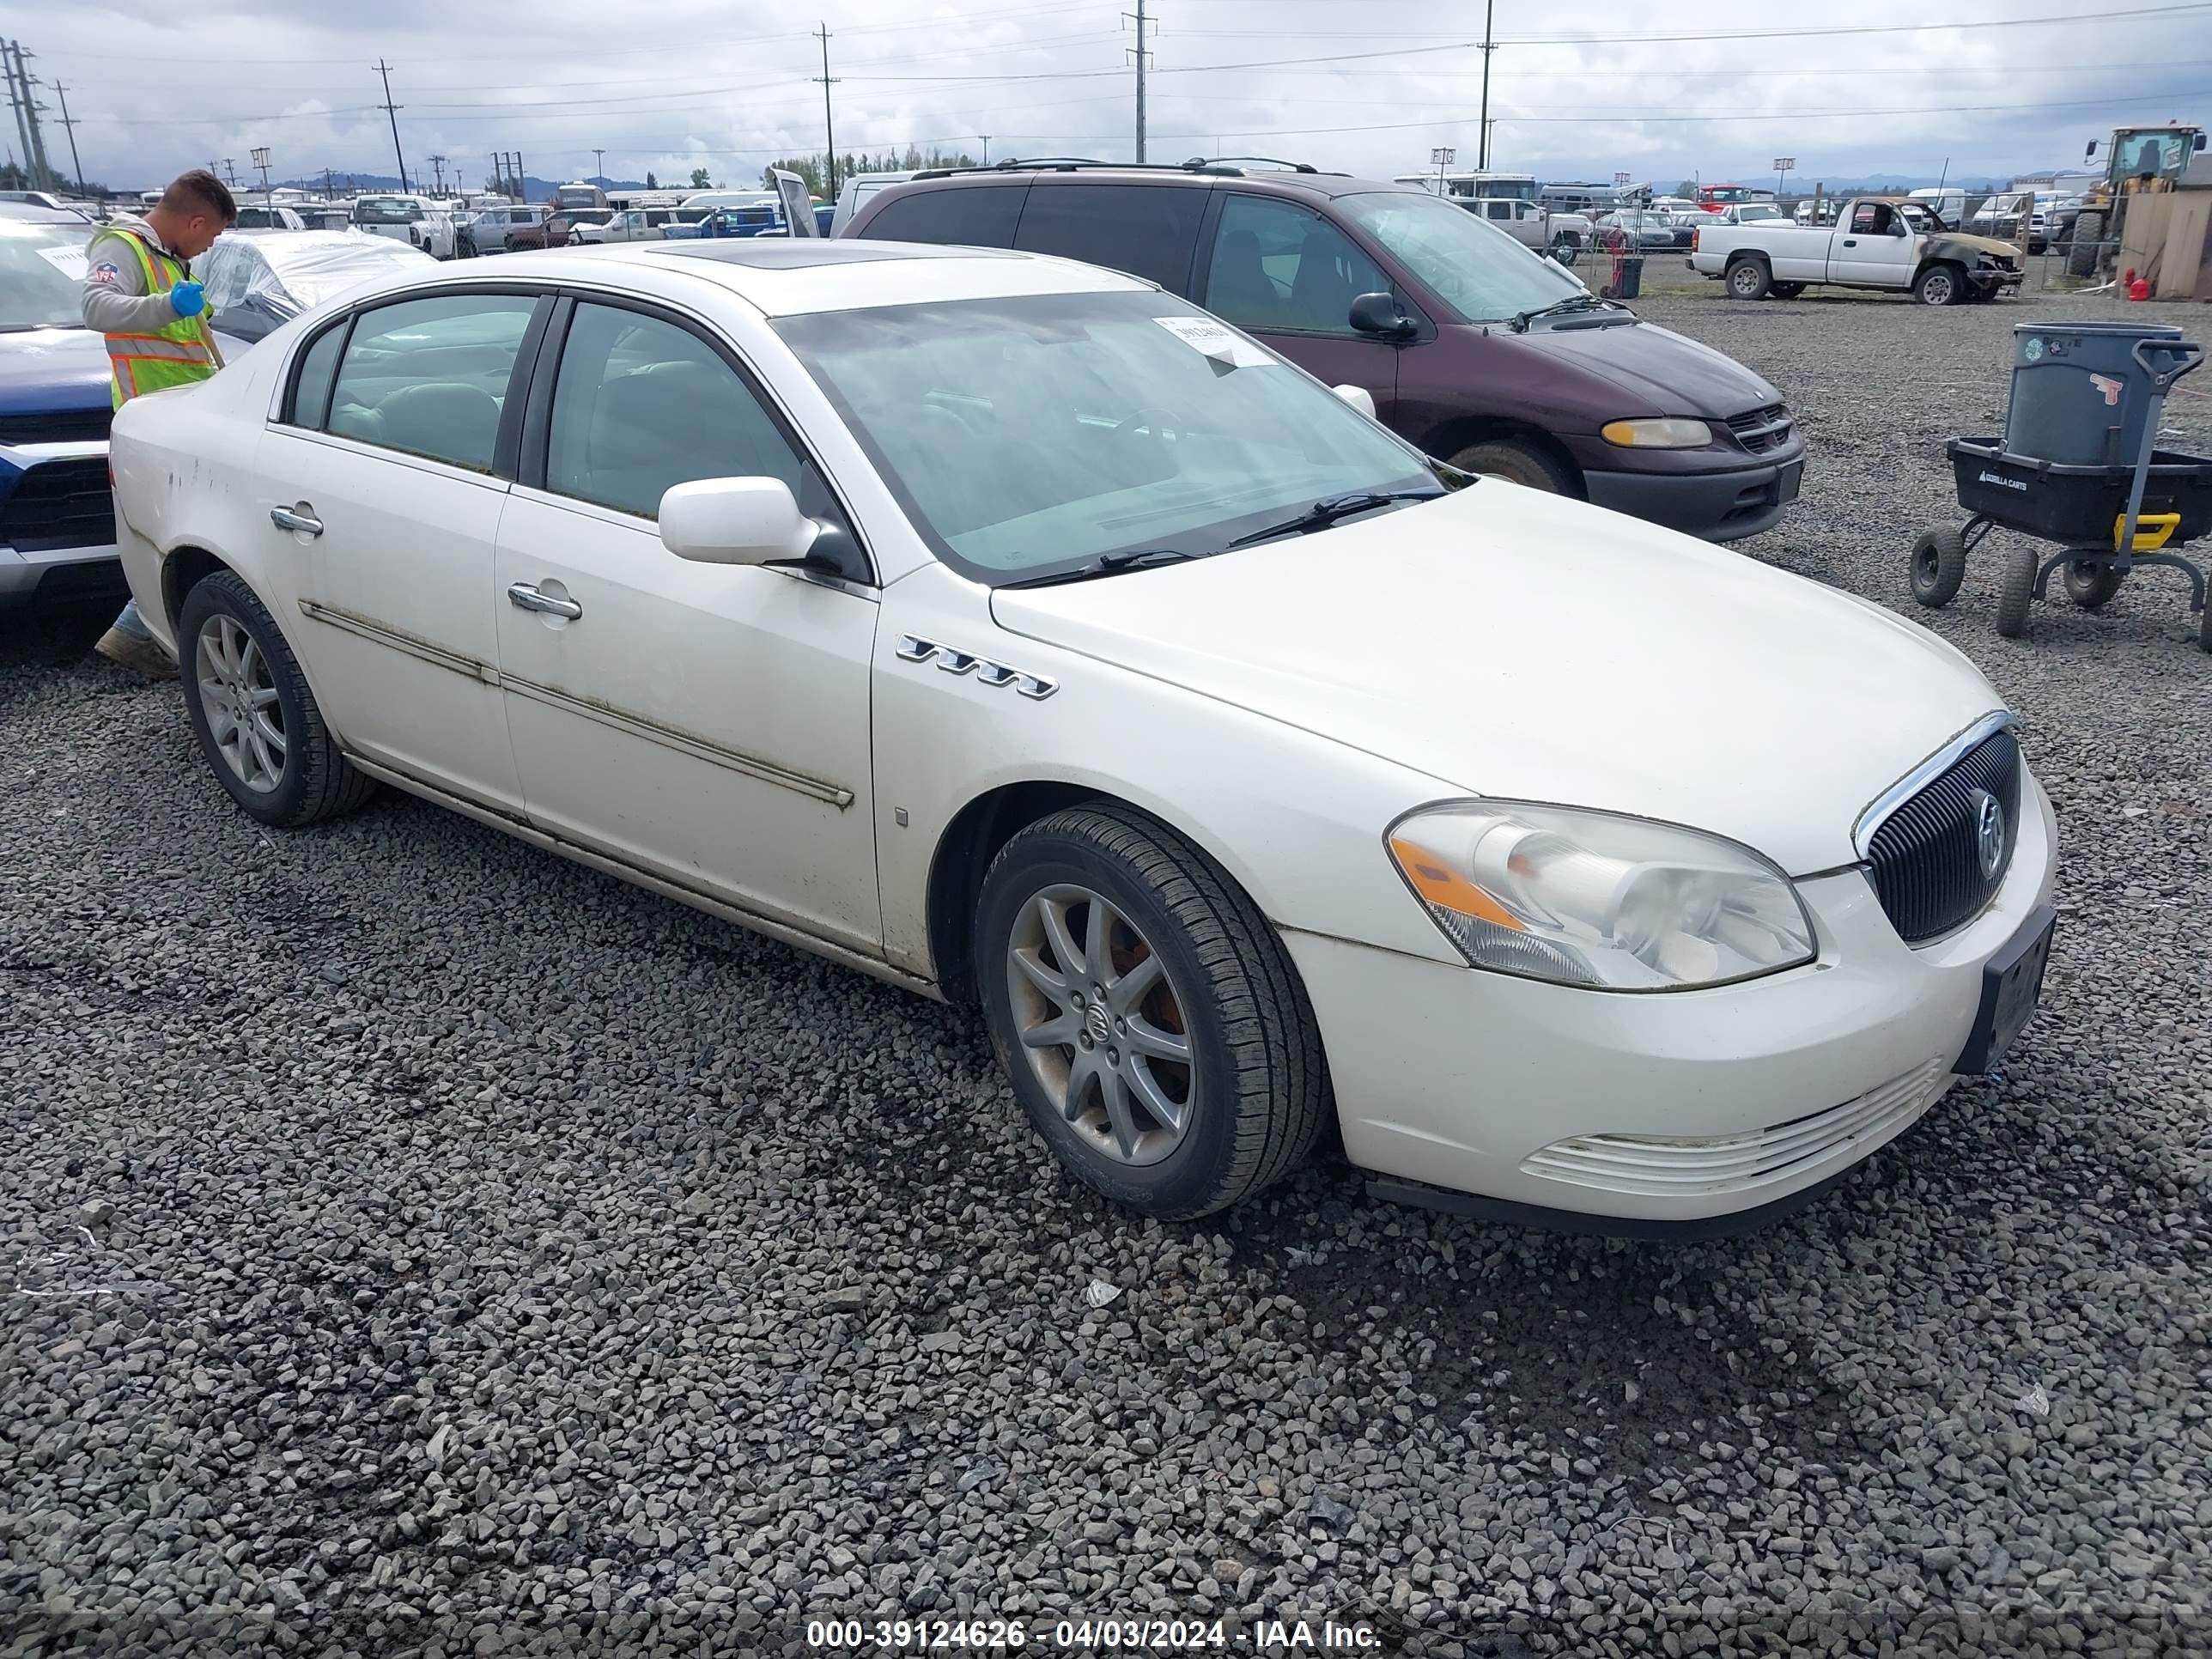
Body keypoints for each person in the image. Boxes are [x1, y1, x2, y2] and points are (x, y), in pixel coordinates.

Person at [80, 168, 236, 678]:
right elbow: (97, 307)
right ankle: (139, 634)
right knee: (177, 527)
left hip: (184, 410)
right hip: (151, 413)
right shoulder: (122, 246)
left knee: (188, 525)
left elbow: (190, 336)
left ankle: (135, 634)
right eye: (211, 235)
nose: (209, 245)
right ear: (194, 221)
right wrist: (169, 304)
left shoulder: (170, 260)